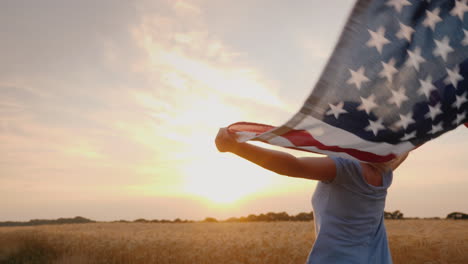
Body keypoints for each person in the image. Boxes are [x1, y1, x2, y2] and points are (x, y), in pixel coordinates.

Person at [215, 127, 408, 264]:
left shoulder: (345, 167)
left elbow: (292, 165)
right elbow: (404, 152)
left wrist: (237, 148)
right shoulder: (384, 173)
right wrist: (424, 129)